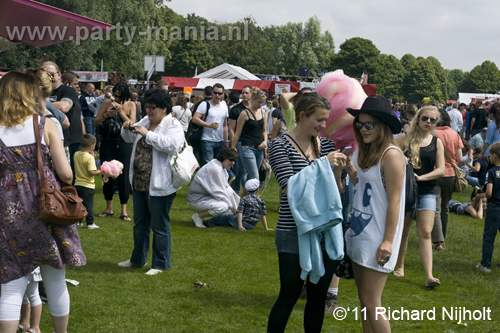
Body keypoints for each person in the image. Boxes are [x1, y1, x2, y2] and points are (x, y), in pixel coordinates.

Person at [0, 70, 86, 333]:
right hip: (46, 208)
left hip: (8, 211)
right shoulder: (45, 124)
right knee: (55, 280)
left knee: (11, 284)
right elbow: (66, 173)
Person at [267, 92, 346, 333]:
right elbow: (289, 187)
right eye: (319, 120)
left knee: (317, 297)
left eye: (326, 120)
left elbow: (336, 190)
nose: (324, 126)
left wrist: (340, 171)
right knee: (289, 294)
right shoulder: (279, 145)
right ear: (302, 115)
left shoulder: (327, 146)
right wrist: (323, 164)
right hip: (293, 231)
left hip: (326, 231)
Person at [342, 97, 405, 332]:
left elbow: (395, 201)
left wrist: (388, 240)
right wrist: (348, 167)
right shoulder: (362, 151)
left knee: (372, 303)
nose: (363, 129)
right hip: (359, 231)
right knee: (364, 302)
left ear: (382, 125)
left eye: (369, 125)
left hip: (378, 235)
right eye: (359, 124)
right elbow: (364, 186)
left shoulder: (391, 155)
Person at [118, 88, 184, 276]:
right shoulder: (146, 121)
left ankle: (160, 263)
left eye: (152, 107)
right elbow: (131, 138)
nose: (148, 111)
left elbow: (173, 145)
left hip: (160, 185)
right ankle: (137, 259)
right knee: (140, 224)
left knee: (159, 226)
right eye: (146, 106)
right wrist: (126, 128)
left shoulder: (172, 124)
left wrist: (149, 134)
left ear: (164, 108)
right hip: (139, 182)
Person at [394, 106, 445, 287]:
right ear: (418, 118)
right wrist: (401, 160)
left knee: (425, 232)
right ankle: (399, 266)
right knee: (404, 231)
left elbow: (440, 169)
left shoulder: (436, 142)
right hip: (405, 190)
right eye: (425, 118)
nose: (428, 122)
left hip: (427, 191)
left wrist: (421, 177)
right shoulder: (405, 138)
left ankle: (429, 276)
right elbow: (388, 158)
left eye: (432, 120)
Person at [94, 82, 136, 221]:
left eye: (119, 97)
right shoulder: (107, 103)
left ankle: (124, 210)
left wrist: (121, 113)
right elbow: (96, 122)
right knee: (106, 173)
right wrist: (106, 115)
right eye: (114, 96)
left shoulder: (131, 105)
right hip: (108, 141)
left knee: (123, 176)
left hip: (124, 143)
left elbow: (132, 126)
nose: (116, 99)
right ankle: (108, 208)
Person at [432, 109, 463, 252]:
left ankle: (439, 241)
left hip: (434, 172)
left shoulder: (432, 133)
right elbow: (460, 158)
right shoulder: (454, 134)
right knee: (445, 208)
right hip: (450, 174)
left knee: (436, 209)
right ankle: (442, 239)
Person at [187, 148, 240, 228]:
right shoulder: (215, 168)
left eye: (234, 160)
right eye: (231, 160)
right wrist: (231, 206)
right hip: (196, 199)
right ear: (224, 158)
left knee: (229, 204)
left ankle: (229, 219)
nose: (233, 163)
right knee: (223, 207)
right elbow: (219, 192)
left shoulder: (222, 168)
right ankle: (198, 216)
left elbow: (227, 189)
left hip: (207, 197)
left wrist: (236, 207)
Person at [231, 88, 268, 194]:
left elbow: (264, 130)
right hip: (247, 147)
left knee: (250, 179)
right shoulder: (244, 113)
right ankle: (254, 201)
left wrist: (265, 141)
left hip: (260, 148)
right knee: (254, 178)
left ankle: (243, 202)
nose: (261, 104)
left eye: (262, 102)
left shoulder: (263, 112)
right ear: (253, 100)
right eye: (259, 102)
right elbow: (237, 133)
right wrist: (233, 148)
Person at [204, 179, 272, 231]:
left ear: (247, 190)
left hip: (244, 223)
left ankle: (208, 222)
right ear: (257, 190)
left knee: (227, 217)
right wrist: (266, 228)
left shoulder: (244, 199)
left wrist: (240, 226)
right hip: (252, 226)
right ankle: (230, 223)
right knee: (231, 219)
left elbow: (240, 213)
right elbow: (263, 216)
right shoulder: (261, 201)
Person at [476, 142, 500, 273]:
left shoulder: (491, 172)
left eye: (490, 154)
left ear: (495, 155)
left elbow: (489, 193)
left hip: (495, 207)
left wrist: (481, 196)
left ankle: (486, 265)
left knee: (489, 237)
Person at [191, 83, 228, 166]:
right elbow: (195, 119)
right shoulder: (205, 104)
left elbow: (225, 125)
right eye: (215, 93)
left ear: (223, 94)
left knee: (219, 164)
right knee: (209, 165)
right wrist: (209, 125)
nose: (217, 95)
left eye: (219, 93)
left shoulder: (224, 105)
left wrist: (226, 141)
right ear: (212, 93)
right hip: (207, 139)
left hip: (220, 140)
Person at [74, 134, 101, 229]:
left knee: (79, 205)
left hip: (77, 184)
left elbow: (83, 160)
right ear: (92, 146)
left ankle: (78, 222)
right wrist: (100, 171)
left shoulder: (76, 154)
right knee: (88, 206)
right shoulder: (89, 158)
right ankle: (90, 223)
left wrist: (91, 157)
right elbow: (91, 172)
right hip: (88, 186)